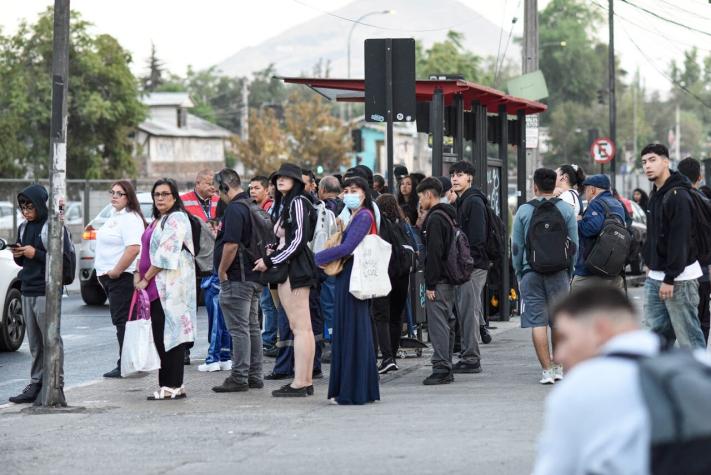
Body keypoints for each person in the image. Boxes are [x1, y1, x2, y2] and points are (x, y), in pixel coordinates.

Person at [533, 286, 665, 475]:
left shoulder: (579, 388)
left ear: (600, 329)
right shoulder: (699, 366)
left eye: (566, 338)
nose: (559, 355)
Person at [315, 176, 380, 404]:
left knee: (352, 333)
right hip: (350, 278)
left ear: (365, 193)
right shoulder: (358, 215)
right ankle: (360, 389)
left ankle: (351, 392)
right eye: (347, 190)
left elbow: (348, 247)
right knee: (354, 332)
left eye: (355, 190)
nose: (349, 194)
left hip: (352, 278)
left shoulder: (363, 216)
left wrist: (318, 257)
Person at [254, 163, 317, 397]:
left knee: (301, 328)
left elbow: (298, 239)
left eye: (286, 177)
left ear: (296, 181)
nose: (280, 180)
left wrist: (270, 261)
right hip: (290, 268)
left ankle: (301, 382)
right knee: (300, 327)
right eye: (278, 177)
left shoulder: (297, 202)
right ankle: (303, 381)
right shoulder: (287, 204)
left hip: (295, 269)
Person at [512, 168, 578, 384]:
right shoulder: (567, 210)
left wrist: (519, 272)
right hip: (559, 272)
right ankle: (558, 367)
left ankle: (546, 371)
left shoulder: (523, 211)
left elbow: (516, 247)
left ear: (535, 186)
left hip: (531, 271)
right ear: (554, 185)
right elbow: (574, 245)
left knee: (537, 322)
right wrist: (570, 271)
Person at [135, 179, 196, 400]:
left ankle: (173, 385)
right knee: (162, 336)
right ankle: (169, 385)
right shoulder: (158, 219)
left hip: (171, 287)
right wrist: (137, 274)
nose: (160, 198)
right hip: (156, 286)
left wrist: (145, 278)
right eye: (157, 194)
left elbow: (165, 255)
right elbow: (145, 251)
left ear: (174, 196)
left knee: (171, 336)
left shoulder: (177, 218)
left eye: (165, 194)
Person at [641, 144, 706, 349]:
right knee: (655, 341)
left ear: (666, 162)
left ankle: (699, 380)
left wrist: (670, 278)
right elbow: (654, 235)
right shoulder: (656, 194)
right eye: (643, 162)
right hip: (656, 277)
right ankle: (660, 380)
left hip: (680, 280)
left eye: (652, 160)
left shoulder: (679, 196)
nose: (647, 166)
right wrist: (649, 262)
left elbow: (681, 240)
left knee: (690, 340)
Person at [210, 169, 264, 392]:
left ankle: (240, 377)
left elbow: (231, 245)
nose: (217, 196)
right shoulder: (253, 206)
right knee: (252, 327)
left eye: (217, 190)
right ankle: (255, 375)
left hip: (237, 277)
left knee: (239, 329)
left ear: (224, 186)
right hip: (253, 276)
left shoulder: (234, 209)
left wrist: (222, 272)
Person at [8, 185, 56, 403]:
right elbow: (23, 262)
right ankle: (36, 383)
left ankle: (52, 383)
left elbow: (60, 262)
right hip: (27, 289)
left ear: (40, 205)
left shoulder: (52, 227)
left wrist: (34, 252)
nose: (26, 211)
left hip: (46, 291)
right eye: (22, 207)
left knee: (50, 341)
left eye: (30, 206)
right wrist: (19, 253)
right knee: (35, 343)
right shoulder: (23, 227)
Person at [95, 181, 146, 378]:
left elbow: (133, 248)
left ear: (129, 197)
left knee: (123, 321)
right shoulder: (114, 215)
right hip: (109, 278)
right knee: (122, 321)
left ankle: (125, 364)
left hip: (121, 278)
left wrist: (116, 271)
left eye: (120, 193)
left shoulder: (130, 218)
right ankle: (128, 361)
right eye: (113, 192)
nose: (114, 196)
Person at [416, 177, 459, 385]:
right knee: (448, 322)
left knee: (438, 324)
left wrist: (430, 284)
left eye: (420, 198)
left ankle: (441, 367)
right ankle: (446, 364)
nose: (419, 203)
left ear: (428, 195)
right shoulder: (447, 214)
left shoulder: (434, 219)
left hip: (439, 280)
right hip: (449, 278)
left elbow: (434, 254)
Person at [449, 160, 488, 374]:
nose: (455, 177)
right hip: (468, 265)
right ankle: (468, 355)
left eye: (460, 174)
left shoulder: (473, 202)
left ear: (470, 178)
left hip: (473, 266)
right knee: (465, 311)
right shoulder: (462, 200)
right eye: (453, 174)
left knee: (468, 312)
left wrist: (466, 263)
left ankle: (471, 358)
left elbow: (476, 237)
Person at [372, 194, 411, 374]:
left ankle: (386, 357)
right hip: (402, 276)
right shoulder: (403, 225)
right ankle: (392, 357)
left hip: (384, 274)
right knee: (396, 317)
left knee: (381, 317)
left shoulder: (380, 225)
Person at [571, 174, 626, 290]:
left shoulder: (597, 204)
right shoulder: (617, 204)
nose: (585, 193)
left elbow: (590, 229)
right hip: (613, 267)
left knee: (577, 305)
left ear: (592, 189)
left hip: (591, 269)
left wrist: (578, 221)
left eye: (586, 189)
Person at [676, 156, 710, 344]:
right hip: (701, 273)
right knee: (701, 320)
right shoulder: (703, 201)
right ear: (699, 177)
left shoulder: (669, 198)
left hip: (675, 275)